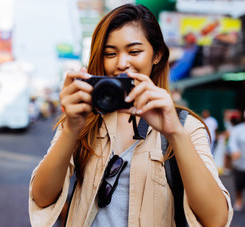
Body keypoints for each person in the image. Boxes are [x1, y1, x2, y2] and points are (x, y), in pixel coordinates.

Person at [29, 4, 232, 226]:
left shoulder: (185, 125)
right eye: (110, 53)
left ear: (157, 55)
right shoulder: (83, 120)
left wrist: (174, 132)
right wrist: (71, 129)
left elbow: (216, 219)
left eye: (134, 51)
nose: (122, 64)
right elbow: (42, 197)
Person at [228, 111, 245, 211]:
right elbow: (232, 142)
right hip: (240, 162)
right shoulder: (238, 129)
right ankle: (238, 199)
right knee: (239, 183)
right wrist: (235, 151)